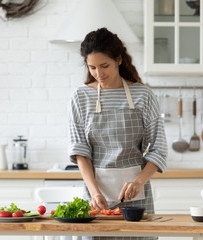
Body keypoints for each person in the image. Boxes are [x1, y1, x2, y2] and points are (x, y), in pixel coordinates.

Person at [68, 28, 167, 239]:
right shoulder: (81, 97)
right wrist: (94, 192)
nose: (99, 74)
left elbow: (159, 148)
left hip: (137, 200)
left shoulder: (143, 94)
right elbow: (80, 152)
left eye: (105, 66)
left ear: (119, 59)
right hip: (96, 197)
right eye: (92, 67)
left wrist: (139, 182)